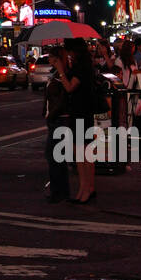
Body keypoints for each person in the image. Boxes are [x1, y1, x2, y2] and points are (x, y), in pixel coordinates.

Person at [61, 38, 101, 204]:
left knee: (81, 154)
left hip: (80, 111)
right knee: (86, 152)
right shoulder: (86, 66)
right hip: (85, 111)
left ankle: (85, 189)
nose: (68, 55)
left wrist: (61, 71)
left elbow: (70, 87)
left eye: (69, 51)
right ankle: (87, 188)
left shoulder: (81, 67)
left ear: (74, 51)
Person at [42, 47, 72, 204]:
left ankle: (59, 191)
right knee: (55, 156)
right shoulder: (55, 74)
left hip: (60, 119)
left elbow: (61, 99)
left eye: (51, 56)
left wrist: (51, 115)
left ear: (57, 59)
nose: (48, 59)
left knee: (54, 156)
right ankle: (60, 190)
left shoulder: (62, 75)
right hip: (56, 119)